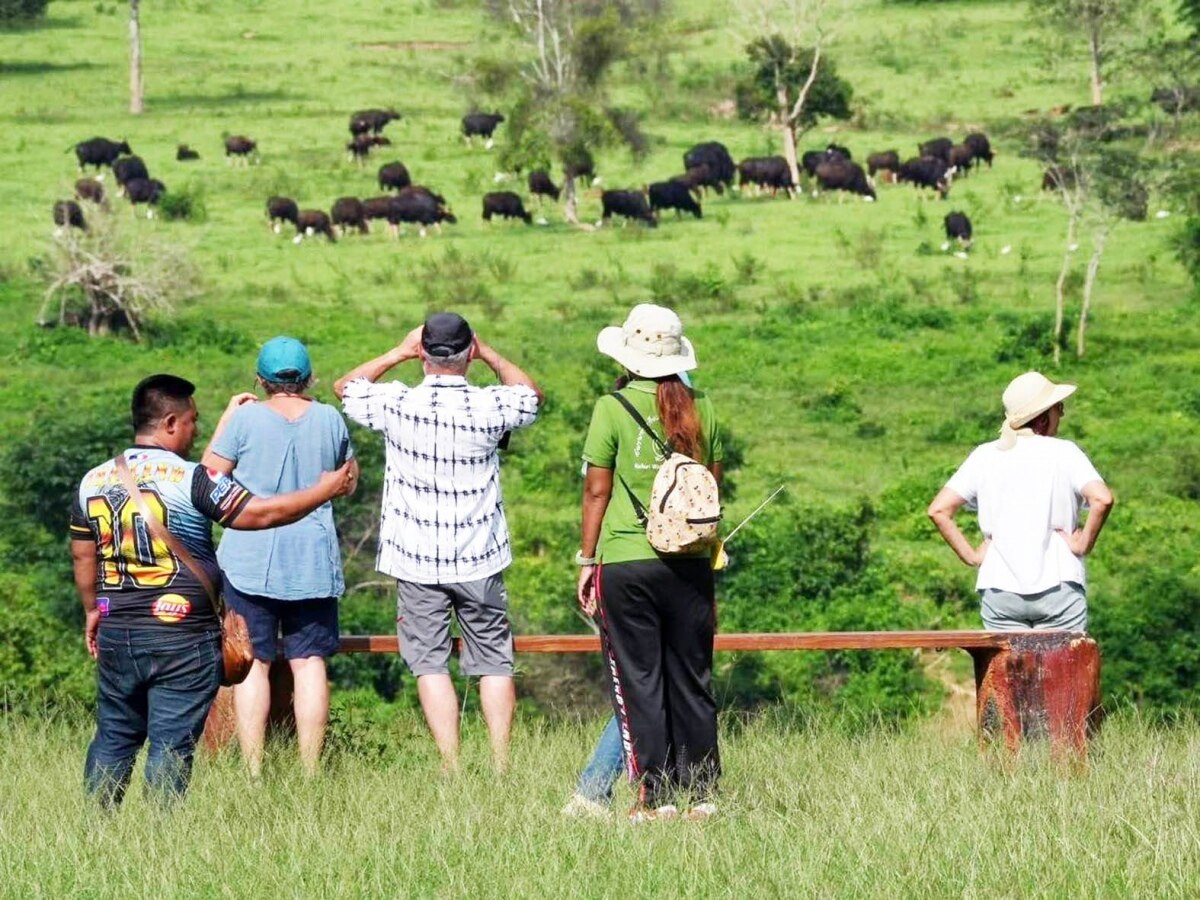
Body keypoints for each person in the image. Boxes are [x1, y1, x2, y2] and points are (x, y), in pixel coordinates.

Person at [70, 374, 356, 807]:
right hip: (181, 632)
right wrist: (324, 491)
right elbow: (258, 514)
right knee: (171, 740)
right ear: (169, 422)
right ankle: (158, 840)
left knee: (115, 733)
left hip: (118, 628)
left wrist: (93, 609)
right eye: (191, 422)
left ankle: (94, 827)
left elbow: (82, 557)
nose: (196, 430)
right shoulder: (192, 479)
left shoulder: (93, 480)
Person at [334, 313, 542, 772]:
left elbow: (345, 387)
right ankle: (501, 763)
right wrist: (488, 352)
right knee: (493, 661)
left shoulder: (398, 404)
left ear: (423, 353)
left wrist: (398, 352)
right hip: (479, 556)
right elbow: (531, 396)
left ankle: (451, 765)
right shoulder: (490, 407)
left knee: (429, 663)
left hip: (416, 558)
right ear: (468, 353)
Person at [577, 303, 724, 823]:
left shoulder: (610, 407)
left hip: (625, 562)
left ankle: (654, 797)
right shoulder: (704, 406)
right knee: (693, 677)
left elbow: (596, 491)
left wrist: (586, 559)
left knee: (640, 681)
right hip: (689, 564)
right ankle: (703, 794)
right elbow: (711, 487)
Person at [200, 337, 358, 778]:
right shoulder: (329, 419)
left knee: (256, 664)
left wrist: (230, 414)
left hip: (249, 560)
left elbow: (208, 475)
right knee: (310, 663)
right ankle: (309, 770)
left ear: (261, 380)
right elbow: (348, 480)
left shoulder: (246, 419)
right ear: (309, 378)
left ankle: (253, 770)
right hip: (313, 560)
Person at [927, 371, 1114, 631]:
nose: (1061, 414)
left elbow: (939, 510)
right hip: (1058, 588)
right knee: (1061, 671)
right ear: (1043, 417)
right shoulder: (1065, 453)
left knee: (1009, 672)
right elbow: (1102, 499)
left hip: (999, 588)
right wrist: (1082, 544)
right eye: (1058, 408)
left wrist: (972, 556)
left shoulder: (985, 455)